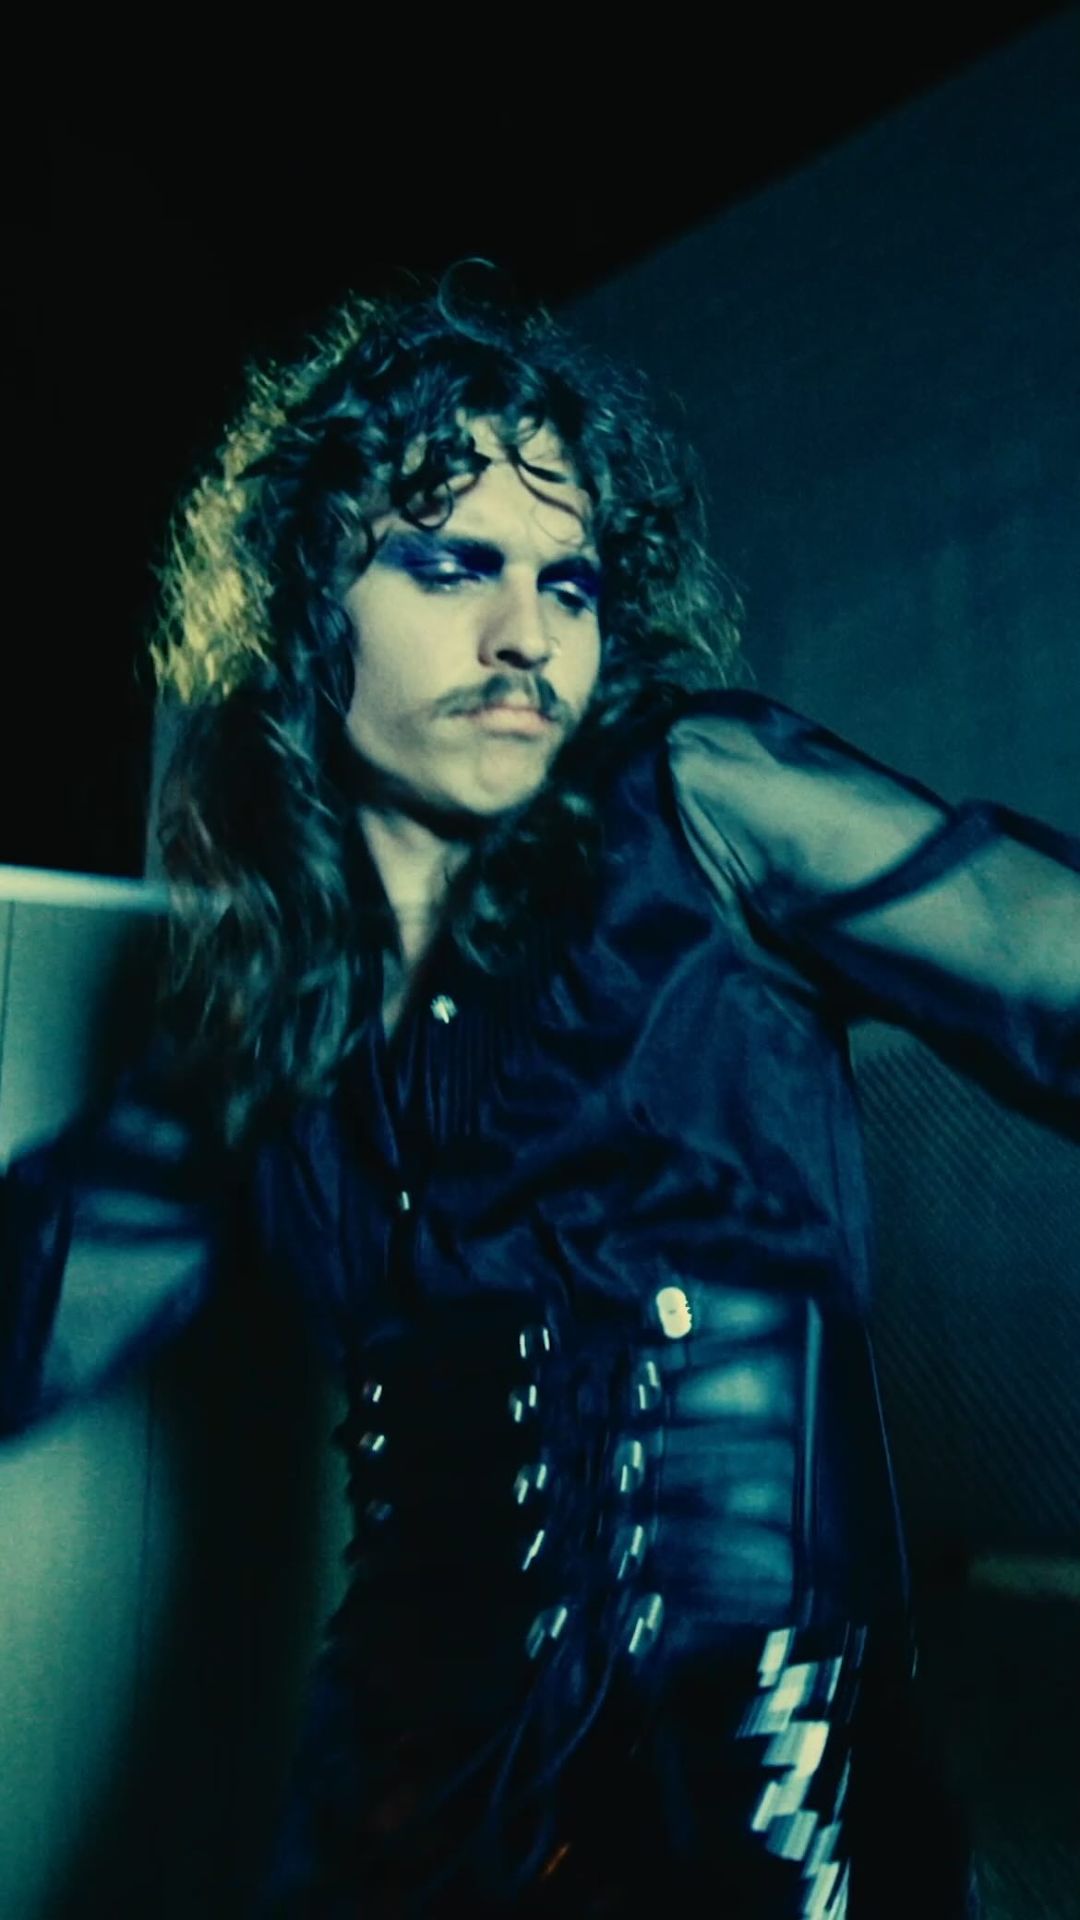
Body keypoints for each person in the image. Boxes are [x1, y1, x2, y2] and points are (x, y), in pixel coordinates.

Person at [2, 276, 1078, 1918]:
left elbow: (1048, 963)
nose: (527, 635)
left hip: (767, 1796)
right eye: (452, 565)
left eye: (565, 581)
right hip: (397, 1813)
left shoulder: (699, 801)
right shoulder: (271, 1017)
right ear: (314, 602)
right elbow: (41, 1310)